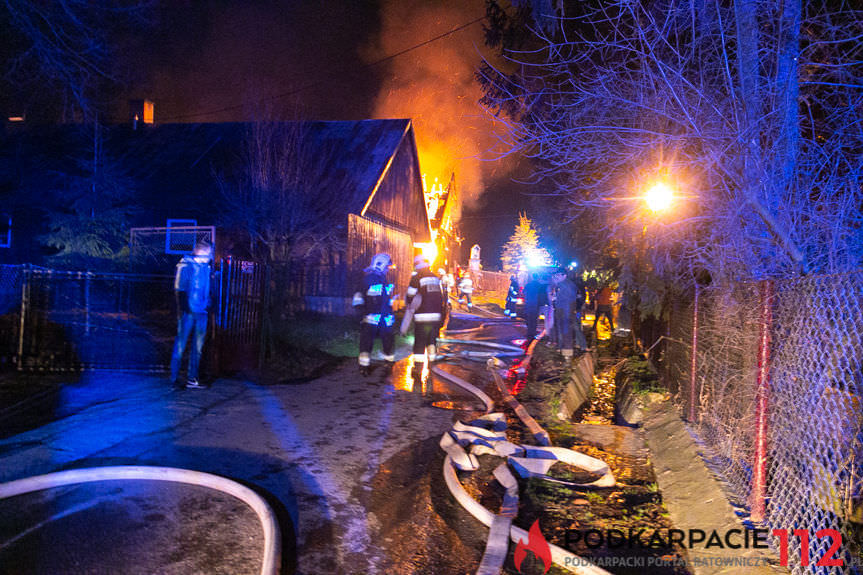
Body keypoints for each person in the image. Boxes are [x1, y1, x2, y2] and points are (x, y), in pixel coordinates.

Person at [170, 241, 214, 389]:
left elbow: (205, 288)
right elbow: (180, 289)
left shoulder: (205, 268)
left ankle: (191, 378)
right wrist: (184, 309)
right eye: (209, 253)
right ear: (202, 253)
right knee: (182, 345)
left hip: (201, 311)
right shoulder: (187, 266)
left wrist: (207, 303)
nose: (211, 256)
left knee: (197, 347)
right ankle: (175, 378)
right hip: (189, 312)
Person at [352, 253, 396, 375]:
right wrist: (360, 312)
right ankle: (365, 366)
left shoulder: (382, 280)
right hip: (373, 317)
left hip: (382, 317)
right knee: (368, 342)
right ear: (380, 265)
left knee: (385, 341)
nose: (388, 269)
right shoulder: (369, 279)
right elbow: (358, 297)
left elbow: (386, 299)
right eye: (387, 266)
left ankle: (385, 364)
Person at [402, 254, 445, 369]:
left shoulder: (417, 277)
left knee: (420, 342)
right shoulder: (435, 278)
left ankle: (418, 368)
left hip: (422, 317)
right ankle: (432, 365)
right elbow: (440, 297)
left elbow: (410, 296)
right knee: (432, 341)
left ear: (417, 265)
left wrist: (409, 304)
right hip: (436, 317)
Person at [550, 268, 578, 358]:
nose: (556, 277)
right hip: (562, 309)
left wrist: (556, 298)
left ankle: (567, 354)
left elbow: (569, 298)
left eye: (558, 275)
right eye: (556, 275)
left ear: (564, 275)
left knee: (566, 330)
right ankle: (564, 350)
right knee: (563, 329)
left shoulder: (566, 284)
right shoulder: (562, 284)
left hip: (565, 310)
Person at [523, 272, 545, 343]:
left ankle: (529, 334)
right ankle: (533, 333)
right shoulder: (540, 285)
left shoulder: (528, 285)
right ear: (537, 278)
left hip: (529, 304)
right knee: (534, 320)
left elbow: (524, 292)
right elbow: (542, 295)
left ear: (532, 277)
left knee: (529, 319)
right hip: (536, 305)